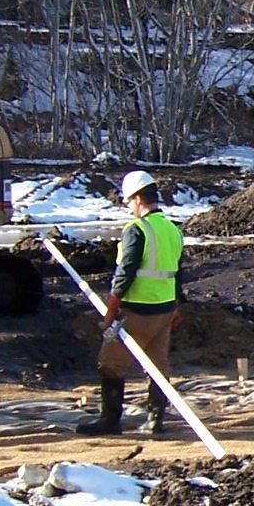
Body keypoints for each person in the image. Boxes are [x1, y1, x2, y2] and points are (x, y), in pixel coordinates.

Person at [77, 170, 184, 437]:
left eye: (129, 202)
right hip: (164, 309)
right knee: (158, 365)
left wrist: (112, 309)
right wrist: (178, 306)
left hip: (137, 309)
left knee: (111, 364)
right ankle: (155, 419)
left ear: (137, 198)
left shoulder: (137, 230)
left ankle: (110, 421)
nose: (129, 208)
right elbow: (178, 271)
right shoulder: (172, 230)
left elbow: (125, 272)